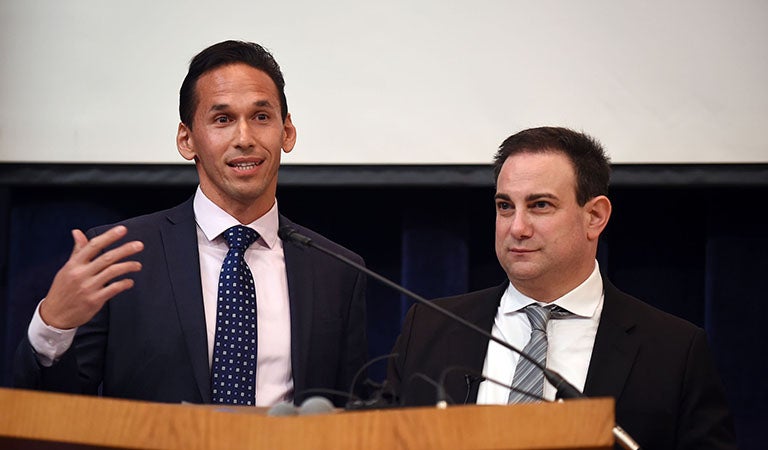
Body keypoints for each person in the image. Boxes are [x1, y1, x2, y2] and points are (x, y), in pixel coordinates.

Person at [14, 40, 368, 407]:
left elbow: (351, 416)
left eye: (261, 117)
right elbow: (57, 412)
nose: (244, 138)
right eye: (222, 119)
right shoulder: (122, 257)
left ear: (287, 132)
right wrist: (54, 327)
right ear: (187, 140)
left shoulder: (336, 271)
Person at [387, 127, 736, 449]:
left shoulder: (674, 351)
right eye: (505, 206)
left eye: (540, 205)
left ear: (595, 217)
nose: (517, 227)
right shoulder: (431, 327)